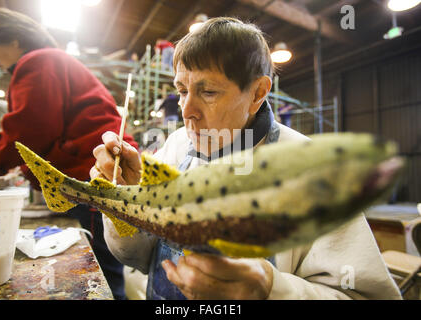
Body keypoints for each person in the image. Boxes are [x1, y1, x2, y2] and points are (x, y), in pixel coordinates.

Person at [91, 17, 401, 300]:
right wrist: (124, 207)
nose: (187, 112)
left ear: (257, 93)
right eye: (182, 91)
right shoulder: (175, 147)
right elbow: (140, 258)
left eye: (208, 92)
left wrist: (271, 288)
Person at [0, 7, 139, 300]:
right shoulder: (52, 61)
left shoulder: (38, 61)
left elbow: (28, 129)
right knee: (105, 271)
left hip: (89, 180)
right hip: (99, 176)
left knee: (98, 280)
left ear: (14, 39)